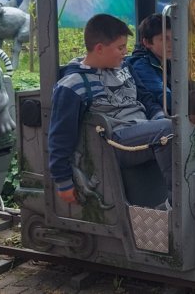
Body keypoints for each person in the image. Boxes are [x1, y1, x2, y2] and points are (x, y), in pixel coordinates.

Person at [47, 14, 173, 206]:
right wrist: (63, 181)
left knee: (175, 125)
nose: (125, 52)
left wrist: (158, 118)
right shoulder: (72, 86)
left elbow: (145, 98)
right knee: (169, 130)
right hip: (115, 142)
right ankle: (176, 203)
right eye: (120, 48)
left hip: (141, 130)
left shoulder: (125, 67)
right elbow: (60, 135)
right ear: (99, 48)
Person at [125, 13, 173, 118]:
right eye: (165, 39)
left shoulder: (168, 61)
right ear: (147, 42)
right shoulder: (141, 65)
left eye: (174, 38)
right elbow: (163, 96)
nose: (172, 44)